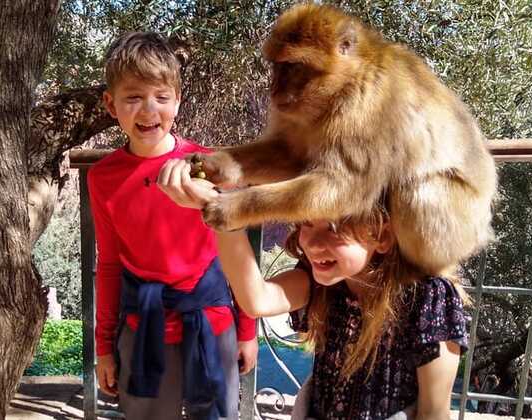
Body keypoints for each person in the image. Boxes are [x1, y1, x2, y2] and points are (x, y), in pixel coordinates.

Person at [158, 158, 469, 420]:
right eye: (307, 223)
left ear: (382, 235)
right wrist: (219, 209)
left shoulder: (429, 297)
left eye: (334, 228)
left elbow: (434, 412)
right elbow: (256, 299)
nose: (314, 244)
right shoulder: (323, 283)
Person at [88, 32, 258, 420]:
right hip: (142, 328)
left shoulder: (208, 165)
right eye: (133, 97)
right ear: (111, 104)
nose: (149, 109)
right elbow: (111, 264)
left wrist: (247, 329)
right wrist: (102, 348)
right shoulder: (103, 178)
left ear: (177, 102)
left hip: (212, 323)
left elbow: (237, 249)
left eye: (161, 97)